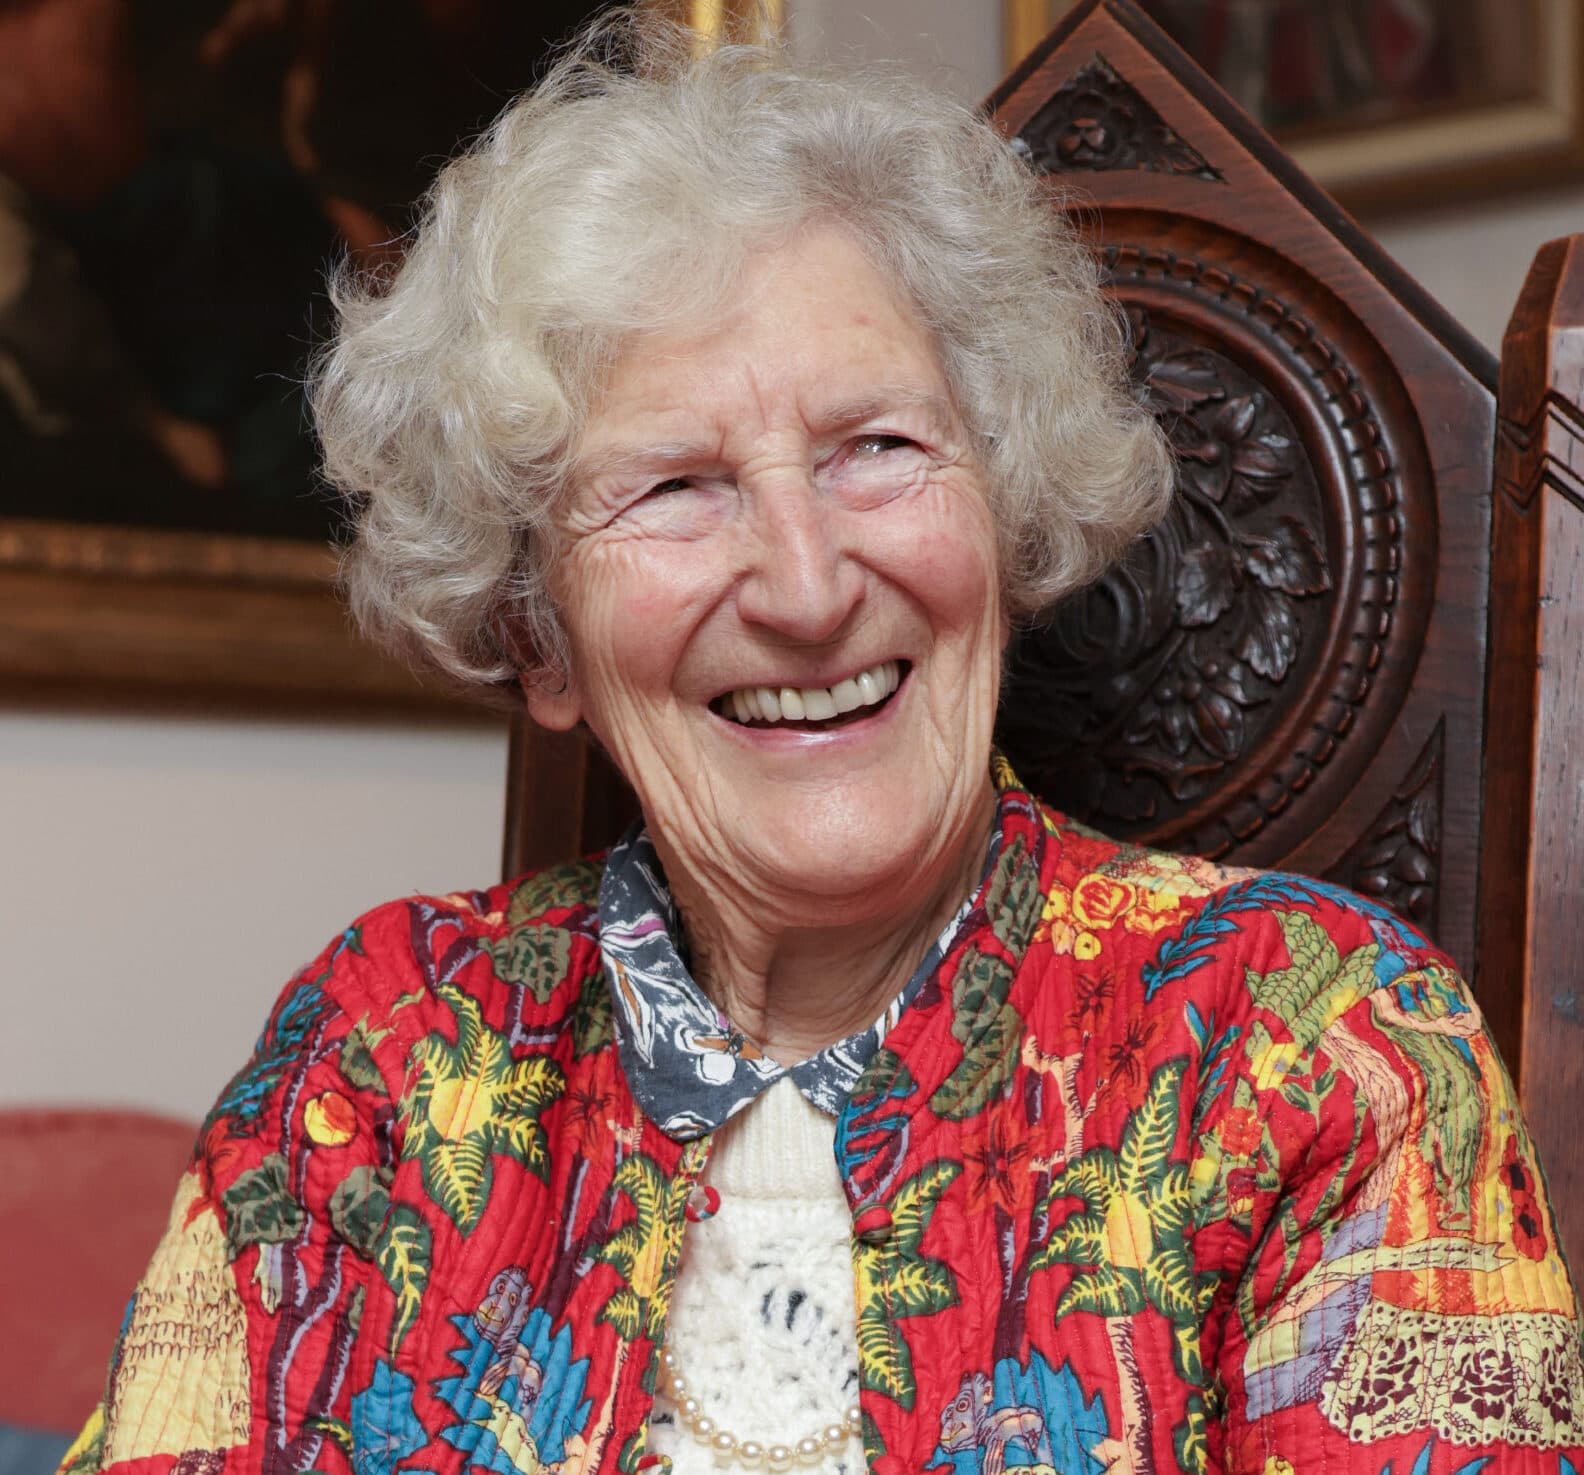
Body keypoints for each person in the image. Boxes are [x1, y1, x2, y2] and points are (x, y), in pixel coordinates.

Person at [61, 11, 1584, 1475]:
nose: (805, 588)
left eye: (878, 448)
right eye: (674, 486)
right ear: (538, 634)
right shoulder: (383, 1056)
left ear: (1005, 513)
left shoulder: (1315, 1042)